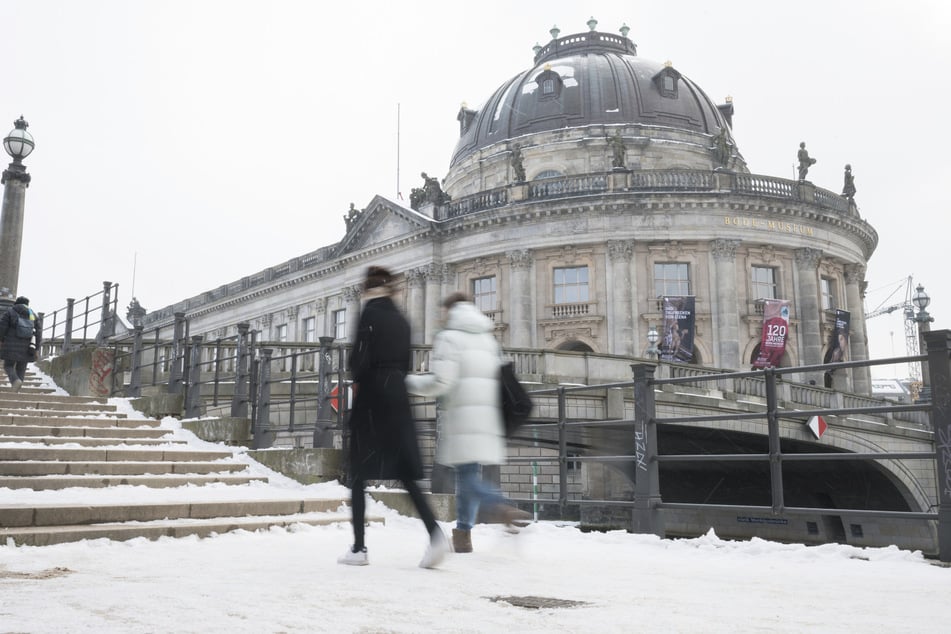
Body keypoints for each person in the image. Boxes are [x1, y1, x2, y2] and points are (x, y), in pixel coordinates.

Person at [338, 266, 449, 568]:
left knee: (359, 473)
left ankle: (359, 548)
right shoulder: (401, 319)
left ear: (368, 288)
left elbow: (358, 361)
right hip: (398, 395)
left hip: (373, 397)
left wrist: (359, 373)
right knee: (405, 473)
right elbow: (407, 360)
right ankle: (435, 533)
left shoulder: (370, 313)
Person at [406, 292, 531, 553]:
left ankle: (501, 506)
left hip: (462, 415)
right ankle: (463, 535)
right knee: (467, 475)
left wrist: (406, 382)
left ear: (450, 310)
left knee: (468, 476)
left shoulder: (448, 337)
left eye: (442, 310)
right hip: (488, 416)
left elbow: (441, 381)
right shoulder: (487, 338)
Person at [0, 296, 41, 391]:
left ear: (16, 303)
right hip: (28, 347)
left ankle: (15, 380)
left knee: (8, 365)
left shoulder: (10, 312)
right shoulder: (32, 315)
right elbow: (38, 333)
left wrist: (1, 340)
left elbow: (2, 328)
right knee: (21, 368)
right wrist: (37, 348)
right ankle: (17, 391)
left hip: (10, 346)